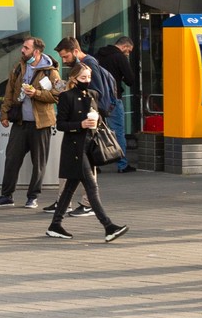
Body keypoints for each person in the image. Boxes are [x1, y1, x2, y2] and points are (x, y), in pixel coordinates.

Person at [43, 60, 129, 243]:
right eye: (83, 77)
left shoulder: (93, 95)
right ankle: (108, 226)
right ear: (74, 78)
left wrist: (95, 121)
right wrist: (80, 124)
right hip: (74, 148)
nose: (87, 80)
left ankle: (55, 225)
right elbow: (61, 124)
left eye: (89, 77)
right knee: (91, 186)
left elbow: (101, 114)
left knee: (70, 188)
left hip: (89, 147)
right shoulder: (67, 96)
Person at [0, 37, 63, 208]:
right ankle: (6, 195)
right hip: (20, 123)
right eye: (23, 47)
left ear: (36, 51)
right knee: (11, 159)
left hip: (41, 124)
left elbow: (58, 95)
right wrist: (4, 114)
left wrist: (36, 94)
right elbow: (9, 93)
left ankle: (33, 197)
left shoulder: (51, 72)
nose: (22, 50)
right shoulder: (18, 68)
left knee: (38, 162)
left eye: (26, 48)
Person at [95, 34, 138, 172]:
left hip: (96, 98)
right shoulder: (119, 57)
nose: (128, 53)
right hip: (113, 98)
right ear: (125, 46)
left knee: (95, 131)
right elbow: (130, 79)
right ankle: (122, 164)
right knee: (118, 131)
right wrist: (123, 78)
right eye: (129, 50)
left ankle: (95, 163)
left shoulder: (98, 55)